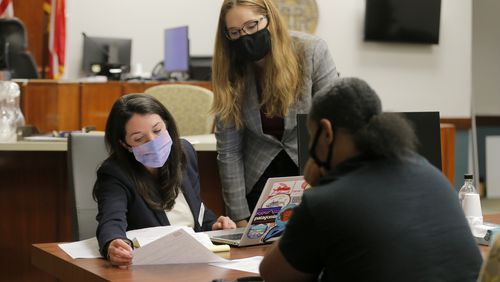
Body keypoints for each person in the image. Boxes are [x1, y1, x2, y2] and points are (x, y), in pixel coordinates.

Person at [260, 78, 482, 282]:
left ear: (326, 132)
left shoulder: (325, 202)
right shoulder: (430, 173)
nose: (310, 149)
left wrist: (315, 193)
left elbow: (272, 275)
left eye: (311, 136)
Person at [212, 0, 338, 226]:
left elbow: (334, 123)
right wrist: (239, 217)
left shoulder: (311, 51)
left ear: (270, 18)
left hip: (310, 167)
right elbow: (229, 150)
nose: (245, 36)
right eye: (235, 32)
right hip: (258, 176)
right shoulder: (230, 67)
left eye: (252, 26)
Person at [93, 94, 236, 267]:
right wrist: (113, 244)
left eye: (157, 130)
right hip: (153, 266)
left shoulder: (184, 153)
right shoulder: (115, 173)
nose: (153, 141)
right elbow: (111, 220)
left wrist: (215, 226)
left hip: (197, 261)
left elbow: (198, 214)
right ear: (125, 144)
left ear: (167, 124)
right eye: (139, 139)